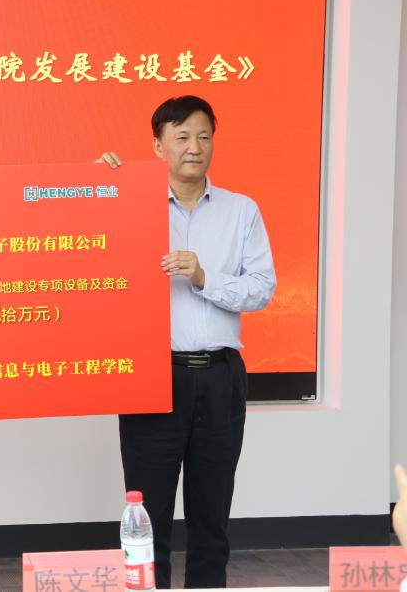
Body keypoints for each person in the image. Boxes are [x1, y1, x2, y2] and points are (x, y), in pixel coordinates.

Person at [97, 95, 277, 588]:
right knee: (147, 519)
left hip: (220, 378)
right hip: (152, 378)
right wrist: (95, 189)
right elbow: (85, 250)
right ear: (159, 147)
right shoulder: (126, 201)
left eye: (203, 136)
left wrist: (204, 277)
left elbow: (262, 288)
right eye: (181, 137)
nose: (194, 147)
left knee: (211, 518)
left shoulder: (241, 211)